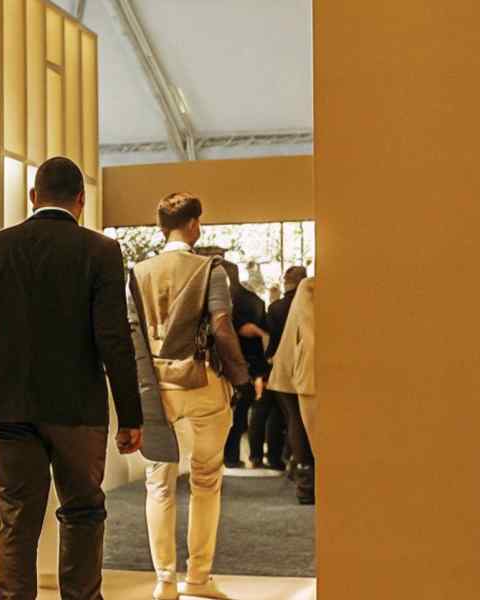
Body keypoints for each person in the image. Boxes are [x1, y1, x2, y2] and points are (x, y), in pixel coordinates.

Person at [0, 156, 144, 600]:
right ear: (81, 200)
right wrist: (131, 415)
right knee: (83, 512)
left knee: (15, 518)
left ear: (32, 197)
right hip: (77, 409)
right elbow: (114, 339)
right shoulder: (101, 251)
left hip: (7, 407)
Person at [128, 193, 251, 600]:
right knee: (206, 479)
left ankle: (164, 580)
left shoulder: (139, 272)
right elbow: (221, 325)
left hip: (156, 387)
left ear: (162, 227)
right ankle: (198, 577)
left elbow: (133, 335)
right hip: (202, 383)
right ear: (195, 224)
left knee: (158, 483)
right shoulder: (210, 269)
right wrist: (240, 376)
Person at [217, 260, 278, 470]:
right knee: (241, 412)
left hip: (230, 362)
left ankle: (229, 455)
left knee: (232, 412)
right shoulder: (251, 300)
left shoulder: (230, 300)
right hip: (247, 363)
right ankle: (232, 455)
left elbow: (244, 328)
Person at [267, 271, 317, 505]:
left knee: (294, 422)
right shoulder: (310, 288)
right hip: (301, 369)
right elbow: (311, 338)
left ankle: (301, 479)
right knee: (300, 425)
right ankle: (306, 485)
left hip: (290, 368)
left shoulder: (305, 290)